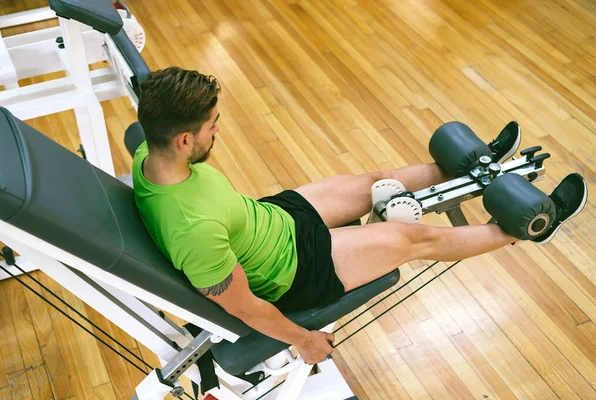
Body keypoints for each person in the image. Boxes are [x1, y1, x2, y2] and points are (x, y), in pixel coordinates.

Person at [132, 67, 588, 366]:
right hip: (294, 271)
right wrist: (302, 339)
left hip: (270, 218)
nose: (218, 128)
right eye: (211, 124)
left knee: (376, 180)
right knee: (414, 240)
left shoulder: (147, 155)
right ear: (185, 141)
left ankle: (478, 164)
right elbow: (244, 305)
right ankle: (530, 226)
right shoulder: (195, 231)